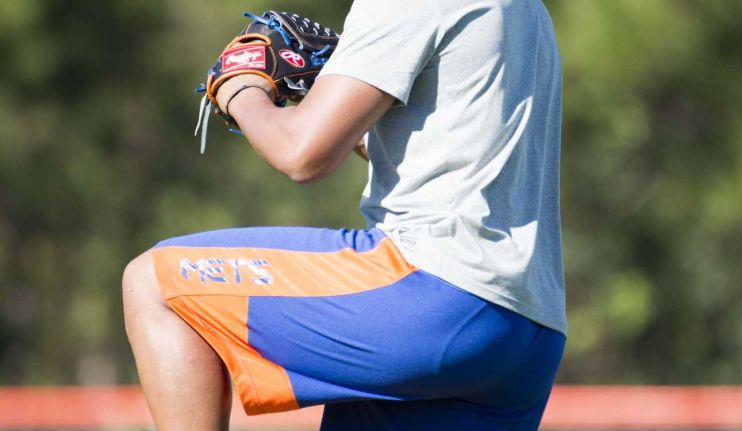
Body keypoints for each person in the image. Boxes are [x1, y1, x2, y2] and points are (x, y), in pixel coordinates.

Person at [122, 0, 567, 429]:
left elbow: (301, 153)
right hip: (525, 329)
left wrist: (238, 86)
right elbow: (444, 153)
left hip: (436, 295)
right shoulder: (527, 11)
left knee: (154, 283)